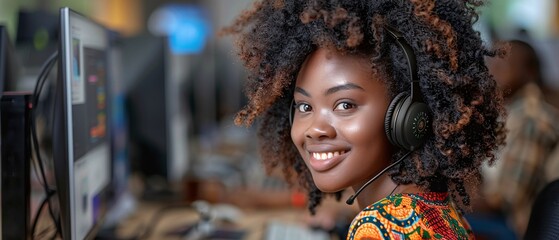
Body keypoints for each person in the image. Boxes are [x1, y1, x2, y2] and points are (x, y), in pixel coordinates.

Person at [222, 0, 505, 239]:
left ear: (408, 116)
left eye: (344, 104)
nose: (314, 130)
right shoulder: (437, 208)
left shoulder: (379, 226)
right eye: (304, 106)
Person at [480, 40, 559, 237]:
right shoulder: (507, 111)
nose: (493, 69)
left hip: (513, 228)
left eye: (503, 64)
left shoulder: (534, 120)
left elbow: (508, 199)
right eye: (491, 62)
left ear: (529, 73)